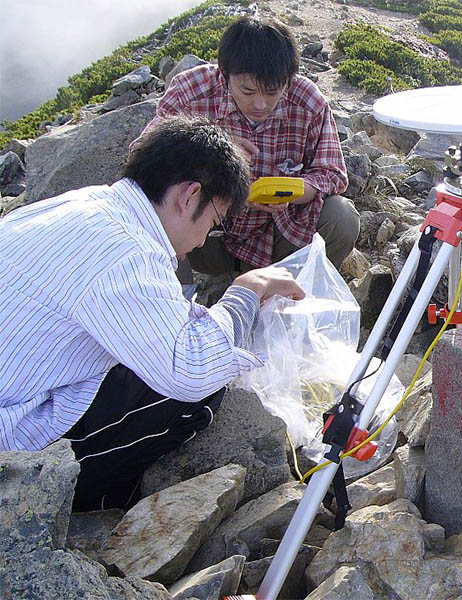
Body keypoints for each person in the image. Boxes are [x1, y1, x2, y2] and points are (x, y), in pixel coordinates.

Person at [0, 117, 305, 511]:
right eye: (214, 223)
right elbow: (191, 369)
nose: (202, 241)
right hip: (11, 445)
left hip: (15, 390)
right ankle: (98, 509)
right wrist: (247, 290)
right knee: (199, 392)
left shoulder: (89, 205)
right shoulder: (124, 250)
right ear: (190, 196)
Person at [135, 15, 359, 287]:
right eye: (247, 91)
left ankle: (295, 296)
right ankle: (171, 300)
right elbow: (142, 160)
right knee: (151, 206)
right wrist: (213, 149)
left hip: (280, 233)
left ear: (289, 80)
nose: (260, 104)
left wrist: (293, 192)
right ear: (224, 74)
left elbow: (332, 174)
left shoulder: (308, 101)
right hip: (208, 238)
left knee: (342, 218)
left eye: (272, 92)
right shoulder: (191, 91)